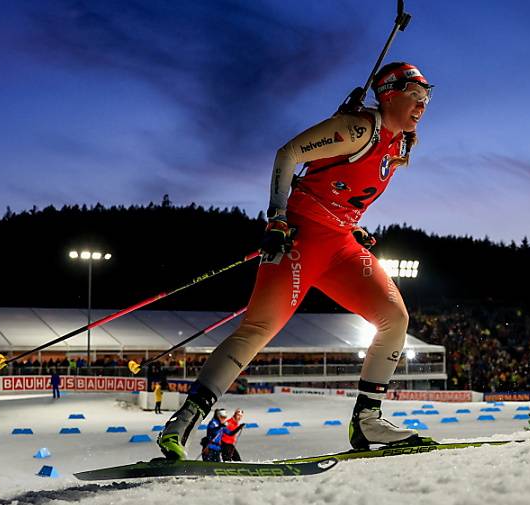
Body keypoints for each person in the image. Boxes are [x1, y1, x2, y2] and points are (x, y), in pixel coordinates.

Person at [157, 62, 433, 460]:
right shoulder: (359, 129)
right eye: (415, 95)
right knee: (258, 329)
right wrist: (277, 218)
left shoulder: (398, 142)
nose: (422, 105)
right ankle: (182, 422)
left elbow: (338, 190)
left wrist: (351, 227)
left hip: (339, 244)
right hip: (301, 240)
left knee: (395, 319)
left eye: (427, 97)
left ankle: (368, 420)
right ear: (389, 93)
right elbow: (287, 155)